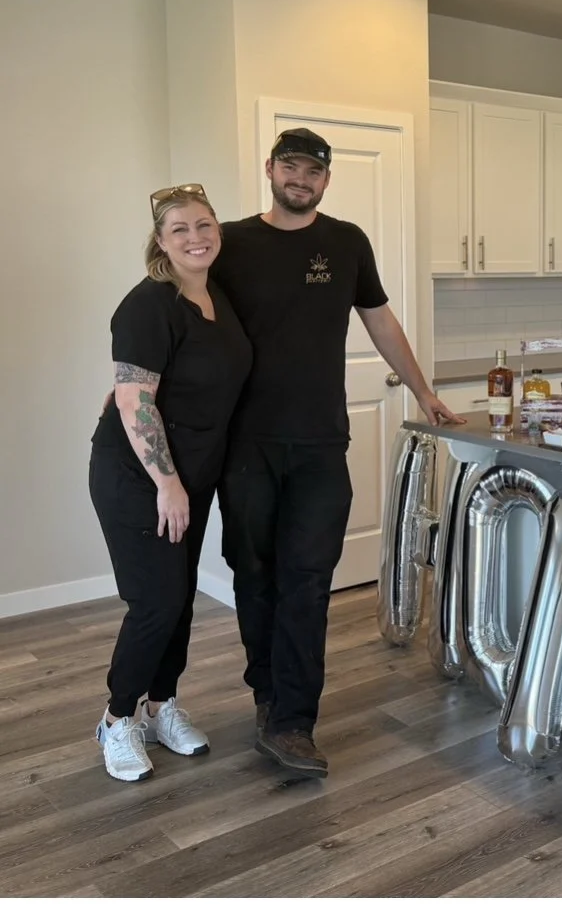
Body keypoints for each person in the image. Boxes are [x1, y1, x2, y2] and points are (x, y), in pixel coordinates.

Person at [210, 128, 462, 780]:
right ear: (270, 168)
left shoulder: (345, 242)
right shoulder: (232, 243)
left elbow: (379, 318)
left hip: (321, 443)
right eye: (291, 166)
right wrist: (133, 380)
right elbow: (181, 312)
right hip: (245, 445)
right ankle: (266, 689)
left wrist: (423, 392)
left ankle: (293, 719)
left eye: (313, 171)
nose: (302, 179)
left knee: (308, 580)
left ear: (326, 179)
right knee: (253, 571)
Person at [90, 185, 252, 782]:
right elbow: (135, 400)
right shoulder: (147, 304)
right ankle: (115, 717)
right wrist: (167, 483)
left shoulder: (217, 298)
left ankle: (161, 707)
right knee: (155, 602)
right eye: (179, 229)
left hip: (192, 476)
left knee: (178, 598)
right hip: (140, 478)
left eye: (204, 225)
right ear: (160, 242)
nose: (195, 236)